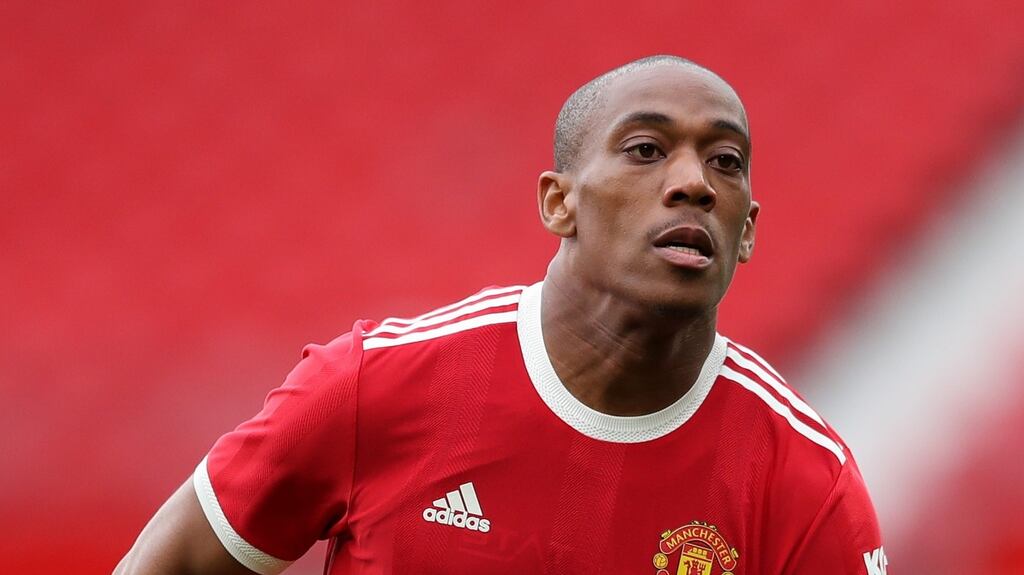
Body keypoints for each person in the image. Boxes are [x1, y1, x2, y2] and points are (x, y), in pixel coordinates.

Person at [116, 55, 885, 575]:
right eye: (647, 149)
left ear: (746, 229)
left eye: (725, 161)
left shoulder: (803, 483)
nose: (694, 183)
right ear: (559, 203)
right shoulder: (374, 387)